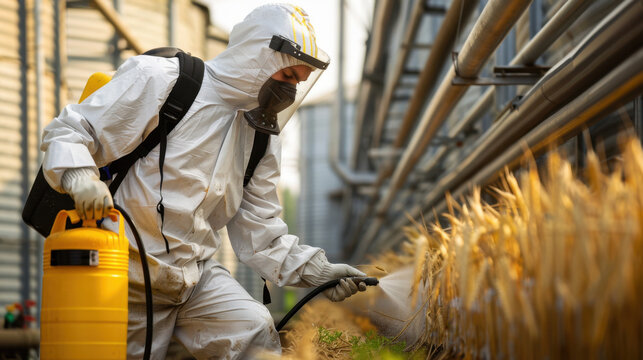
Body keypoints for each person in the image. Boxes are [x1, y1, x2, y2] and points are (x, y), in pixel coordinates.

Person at [41, 4, 367, 359]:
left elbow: (260, 232)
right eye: (288, 75)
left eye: (299, 83)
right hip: (124, 276)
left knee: (253, 331)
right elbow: (70, 131)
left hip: (192, 279)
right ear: (259, 54)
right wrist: (79, 176)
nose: (289, 91)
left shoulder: (261, 136)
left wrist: (317, 272)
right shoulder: (163, 80)